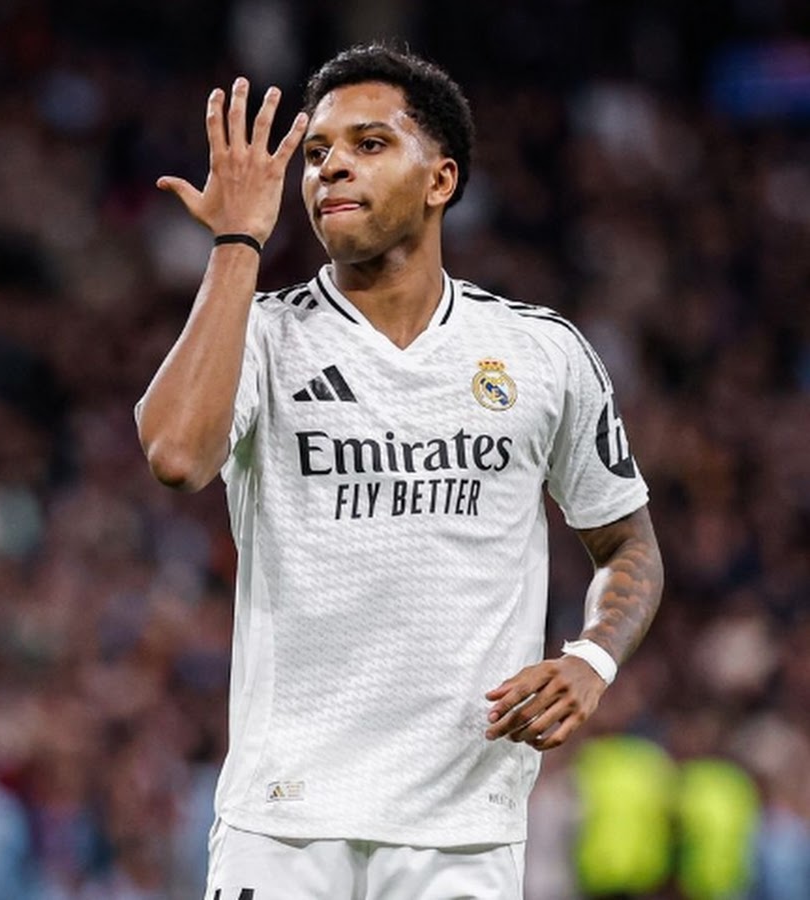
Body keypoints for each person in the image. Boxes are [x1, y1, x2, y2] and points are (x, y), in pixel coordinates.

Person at [136, 44, 663, 900]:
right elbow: (174, 457)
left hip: (461, 835)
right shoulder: (261, 334)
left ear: (440, 180)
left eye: (370, 143)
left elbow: (628, 544)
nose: (331, 166)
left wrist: (592, 660)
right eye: (316, 153)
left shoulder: (542, 353)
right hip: (282, 823)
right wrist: (237, 241)